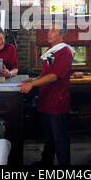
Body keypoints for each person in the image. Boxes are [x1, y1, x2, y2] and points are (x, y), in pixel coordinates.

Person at [19, 25, 73, 165]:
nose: (49, 33)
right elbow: (47, 74)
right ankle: (46, 162)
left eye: (53, 31)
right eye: (49, 30)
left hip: (57, 101)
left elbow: (54, 76)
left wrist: (31, 85)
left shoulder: (64, 52)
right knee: (49, 136)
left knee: (60, 138)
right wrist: (33, 79)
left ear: (62, 35)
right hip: (47, 99)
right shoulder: (51, 51)